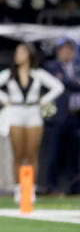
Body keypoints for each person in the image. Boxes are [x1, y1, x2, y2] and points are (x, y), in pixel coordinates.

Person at [0, 43, 64, 203]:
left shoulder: (38, 74)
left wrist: (44, 100)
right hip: (15, 113)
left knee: (32, 154)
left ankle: (30, 189)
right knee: (18, 154)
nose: (17, 55)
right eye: (17, 52)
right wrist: (5, 99)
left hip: (33, 113)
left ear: (29, 55)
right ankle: (18, 189)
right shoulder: (9, 74)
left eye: (21, 52)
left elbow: (58, 87)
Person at [43, 38, 80, 195]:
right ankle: (51, 186)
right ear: (58, 52)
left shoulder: (77, 67)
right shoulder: (51, 67)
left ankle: (74, 187)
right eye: (63, 50)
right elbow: (63, 85)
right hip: (58, 116)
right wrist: (74, 84)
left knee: (74, 154)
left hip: (76, 116)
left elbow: (67, 84)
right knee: (54, 153)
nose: (67, 53)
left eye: (69, 50)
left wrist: (68, 83)